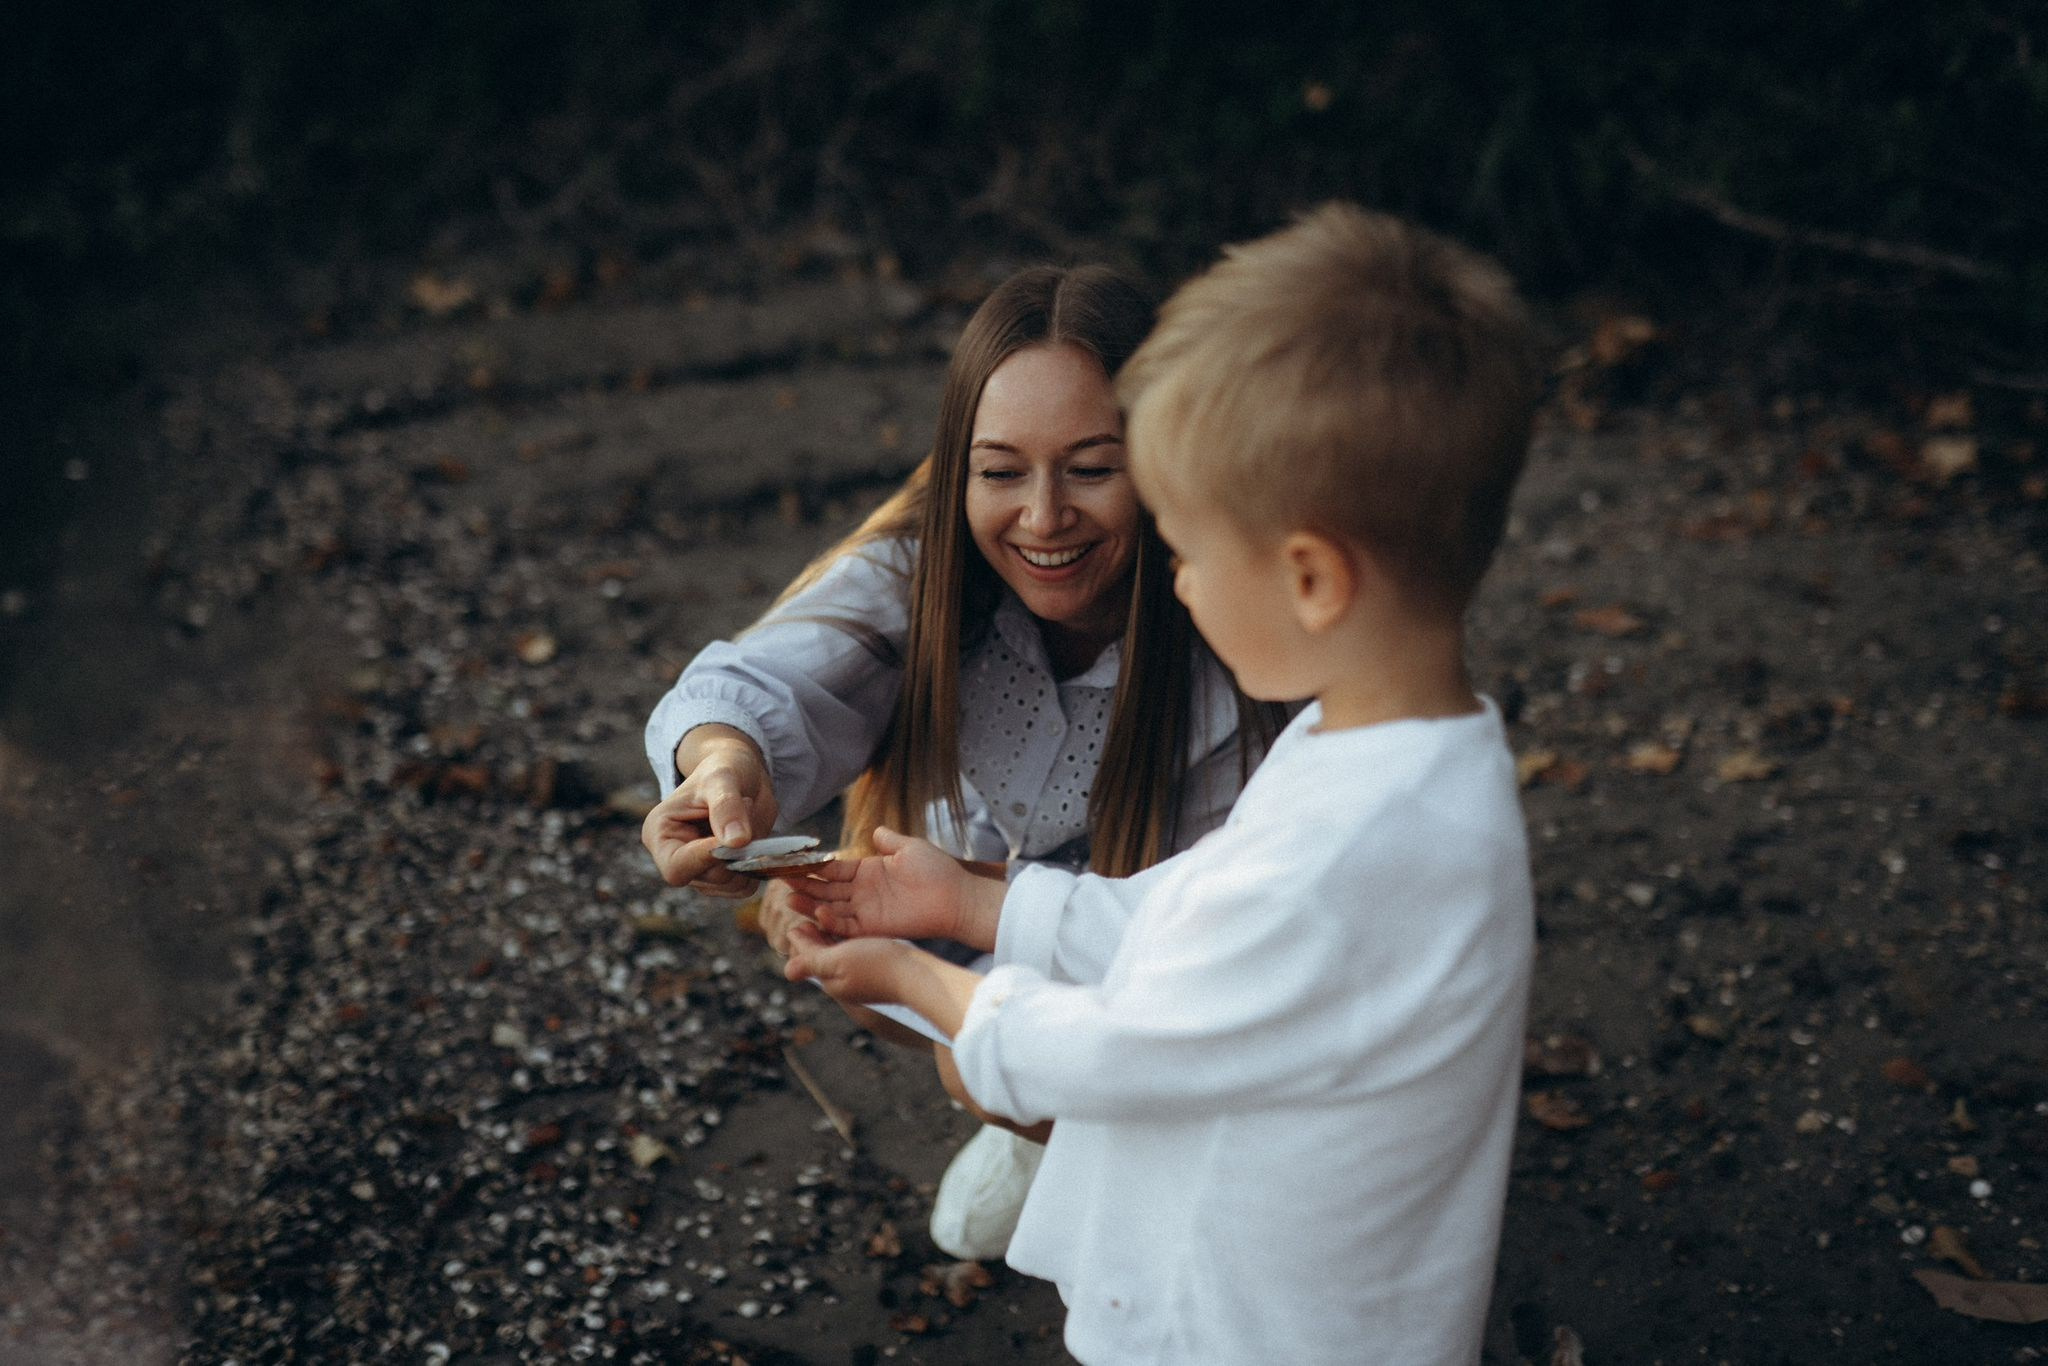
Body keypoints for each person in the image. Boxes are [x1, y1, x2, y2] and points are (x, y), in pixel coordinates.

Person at [781, 202, 1543, 1364]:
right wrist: (973, 902)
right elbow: (1186, 908)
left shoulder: (1357, 848)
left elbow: (1110, 1051)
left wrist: (917, 984)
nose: (1173, 588)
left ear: (1309, 576)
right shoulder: (1396, 755)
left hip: (1251, 1328)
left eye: (1186, 550)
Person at [639, 264, 1285, 1259]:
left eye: (1089, 466)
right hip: (992, 911)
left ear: (1165, 454)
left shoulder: (1236, 616)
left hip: (1184, 965)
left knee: (1008, 1063)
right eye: (1000, 470)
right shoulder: (925, 563)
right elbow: (767, 675)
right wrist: (721, 767)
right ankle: (1040, 1136)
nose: (1040, 516)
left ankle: (1156, 1176)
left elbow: (1239, 947)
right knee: (837, 925)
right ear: (959, 469)